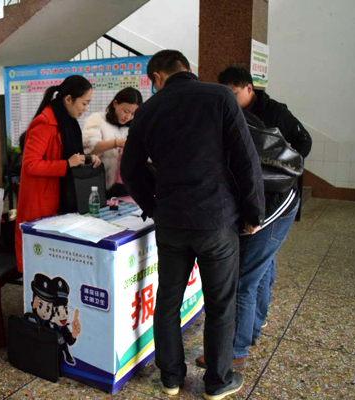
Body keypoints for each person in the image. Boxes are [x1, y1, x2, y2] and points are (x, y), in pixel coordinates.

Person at [121, 50, 265, 399]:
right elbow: (246, 159)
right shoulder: (220, 96)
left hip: (171, 223)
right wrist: (254, 213)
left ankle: (170, 378)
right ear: (187, 68)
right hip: (216, 220)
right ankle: (217, 382)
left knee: (168, 301)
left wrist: (154, 207)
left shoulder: (149, 110)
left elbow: (130, 170)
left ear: (158, 76)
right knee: (220, 304)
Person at [198, 66, 312, 365]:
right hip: (263, 199)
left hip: (276, 201)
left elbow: (296, 149)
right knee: (260, 268)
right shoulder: (233, 118)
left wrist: (258, 215)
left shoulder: (265, 116)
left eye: (234, 93)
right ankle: (253, 329)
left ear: (248, 88)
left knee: (244, 280)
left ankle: (234, 352)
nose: (230, 99)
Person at [15, 76, 101, 272]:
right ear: (68, 99)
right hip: (41, 200)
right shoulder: (45, 122)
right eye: (84, 103)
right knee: (39, 261)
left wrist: (88, 158)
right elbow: (30, 165)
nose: (85, 108)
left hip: (60, 195)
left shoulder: (67, 122)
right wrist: (67, 164)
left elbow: (67, 154)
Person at [82, 87, 143, 198]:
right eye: (126, 111)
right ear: (115, 103)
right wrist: (116, 143)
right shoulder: (97, 120)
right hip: (99, 185)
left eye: (133, 114)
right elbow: (89, 149)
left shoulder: (132, 127)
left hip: (126, 185)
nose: (128, 117)